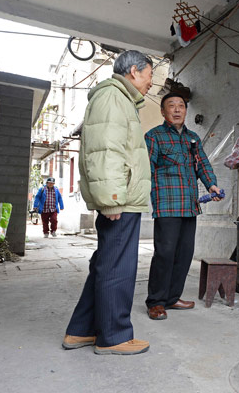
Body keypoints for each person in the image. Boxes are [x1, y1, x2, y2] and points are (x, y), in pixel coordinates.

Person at [63, 50, 153, 355]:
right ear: (134, 72)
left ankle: (81, 330)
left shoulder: (118, 98)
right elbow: (105, 151)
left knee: (106, 264)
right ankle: (113, 336)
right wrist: (112, 199)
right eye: (150, 75)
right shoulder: (114, 98)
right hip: (121, 200)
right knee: (117, 267)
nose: (151, 83)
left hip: (123, 197)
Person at [144, 92, 221, 320]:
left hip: (189, 205)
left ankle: (172, 297)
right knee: (165, 253)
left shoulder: (193, 139)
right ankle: (156, 302)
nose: (177, 110)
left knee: (185, 253)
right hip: (167, 204)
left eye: (181, 106)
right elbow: (145, 169)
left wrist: (212, 186)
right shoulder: (154, 136)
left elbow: (203, 165)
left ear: (186, 111)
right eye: (171, 106)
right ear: (162, 111)